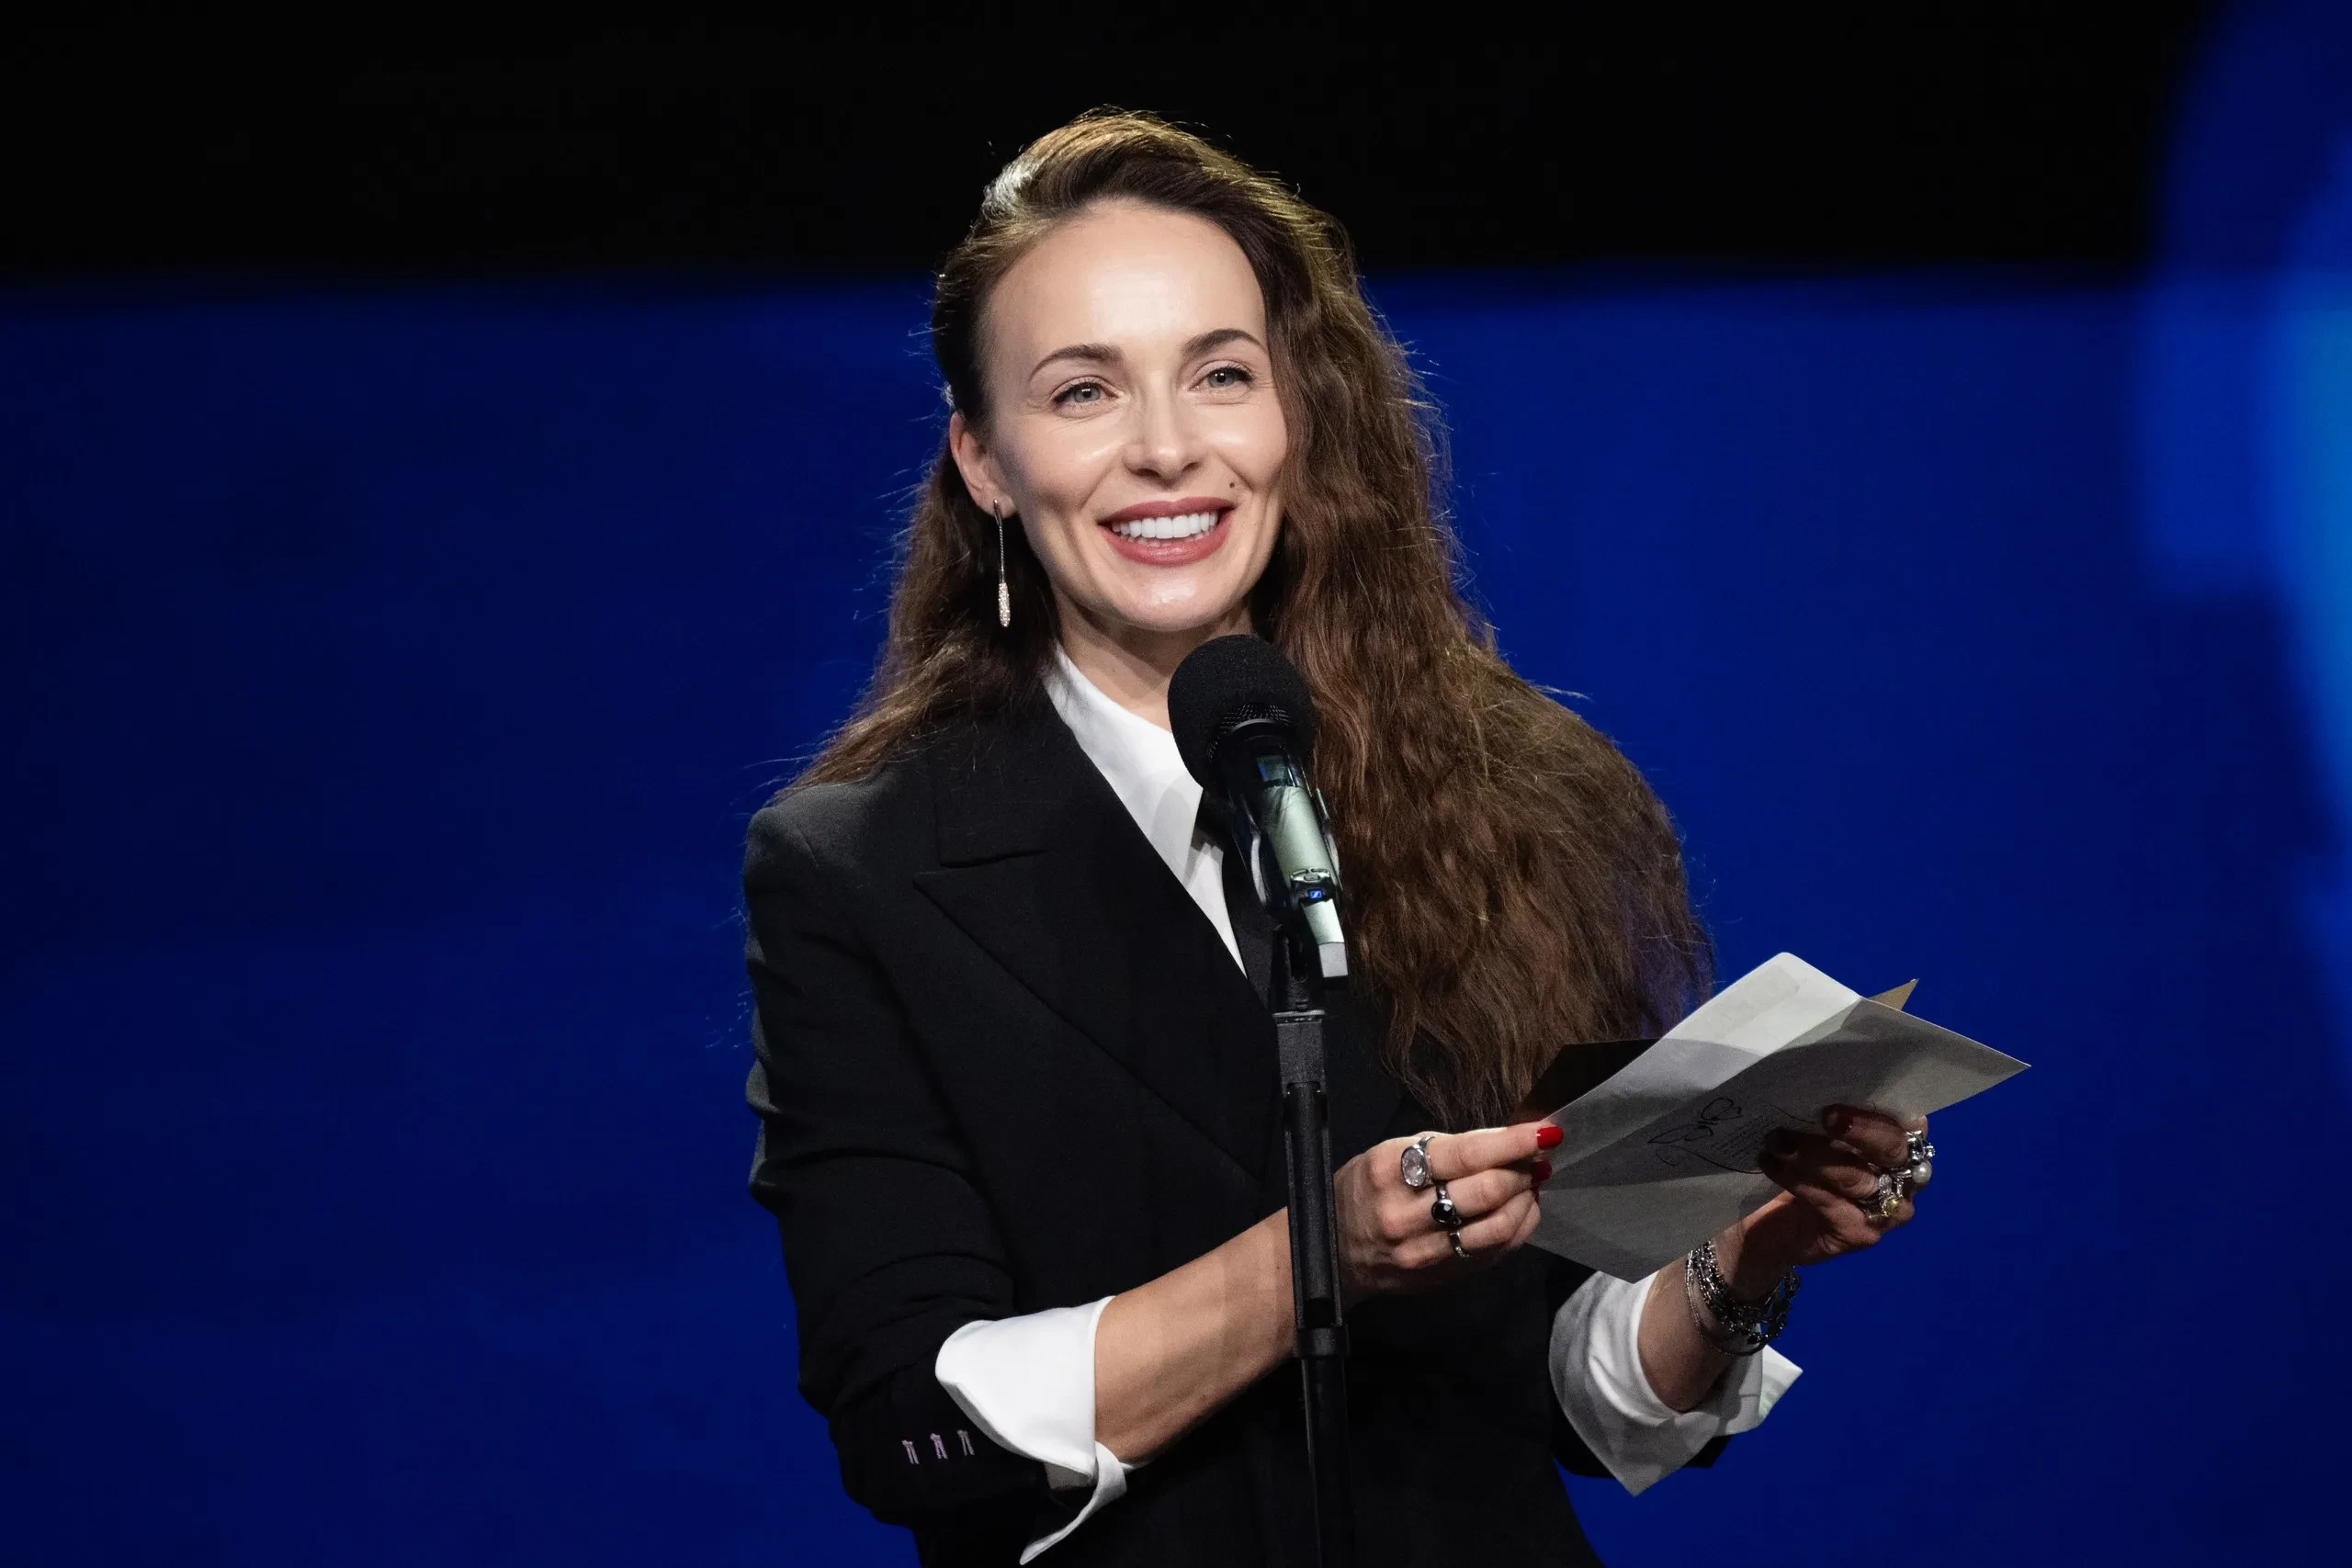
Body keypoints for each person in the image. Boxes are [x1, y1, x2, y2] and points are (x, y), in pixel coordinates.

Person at [743, 110, 1931, 1568]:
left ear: (1293, 417)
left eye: (1221, 374)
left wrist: (1747, 1251)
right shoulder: (860, 868)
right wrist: (1320, 1255)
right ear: (984, 460)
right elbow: (917, 1425)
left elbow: (1576, 1393)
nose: (1168, 447)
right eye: (1084, 391)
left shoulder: (1485, 795)